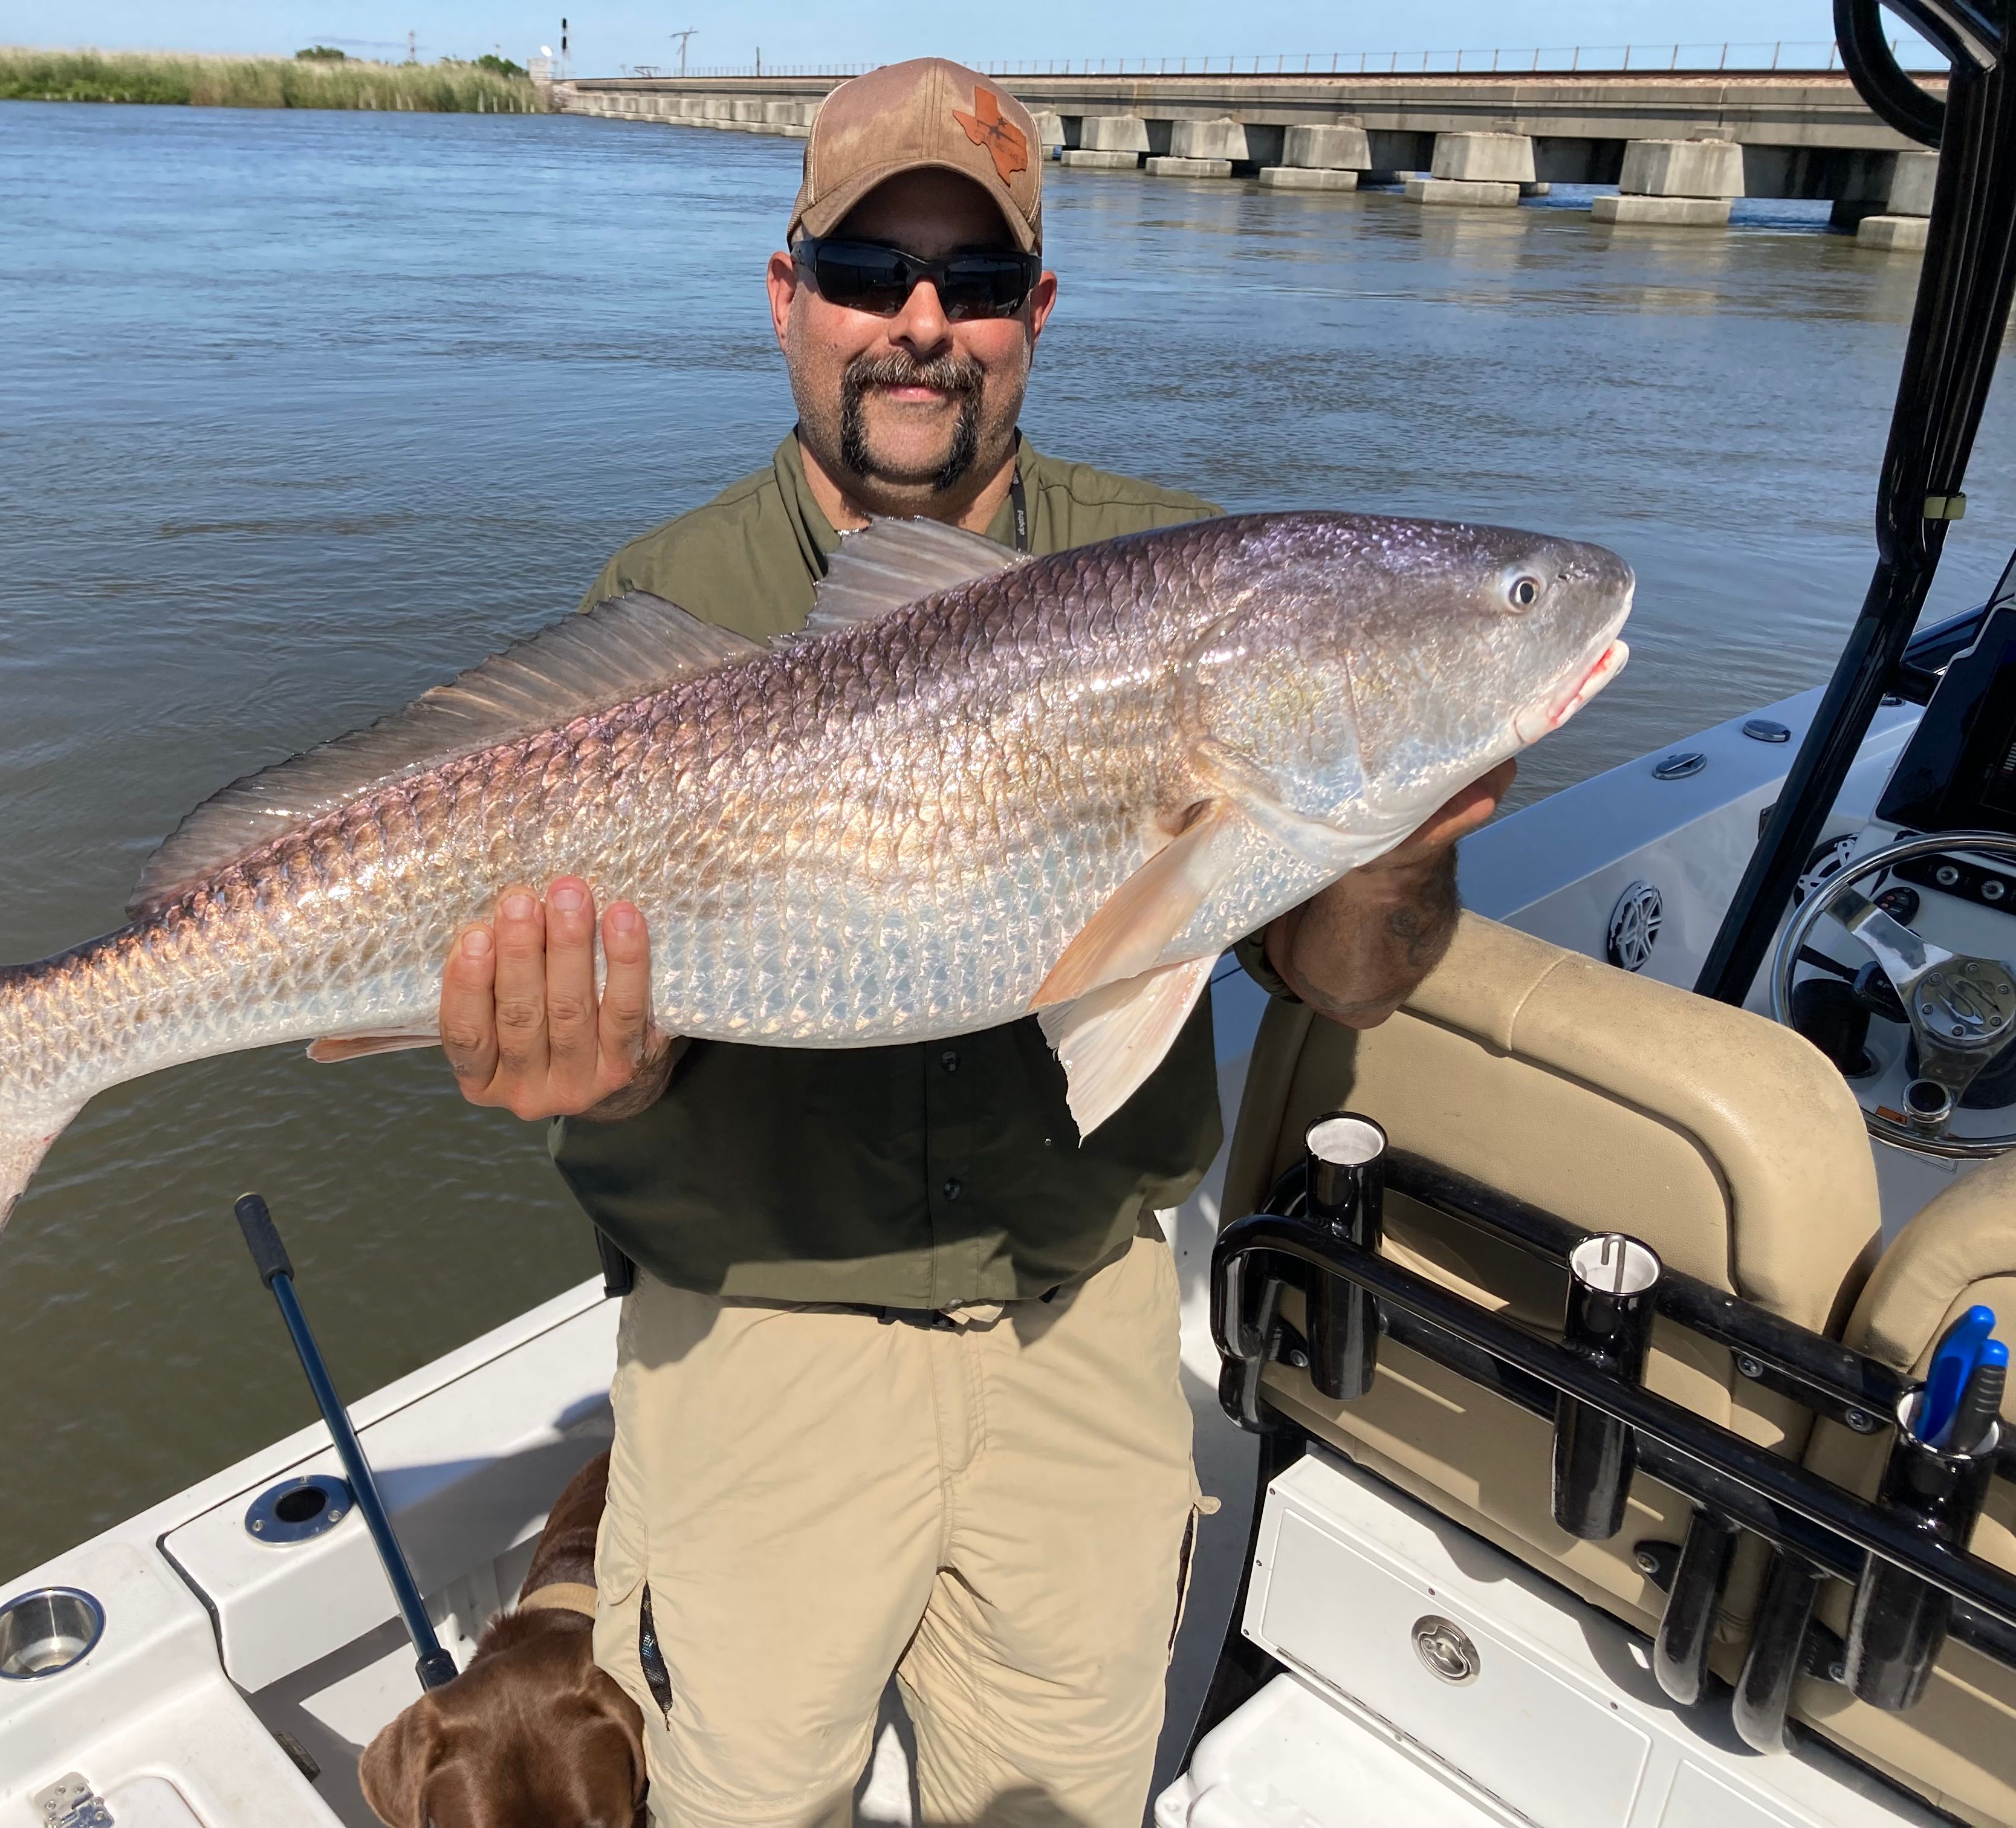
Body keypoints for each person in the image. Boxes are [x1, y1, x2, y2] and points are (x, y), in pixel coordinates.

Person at [436, 59, 1510, 1828]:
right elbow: (615, 1068)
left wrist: (1404, 829)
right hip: (756, 1343)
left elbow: (1347, 978)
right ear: (789, 294)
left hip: (1080, 1321)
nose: (921, 325)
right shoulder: (668, 607)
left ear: (1036, 314)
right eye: (869, 272)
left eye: (979, 284)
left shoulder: (1188, 582)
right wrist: (592, 1068)